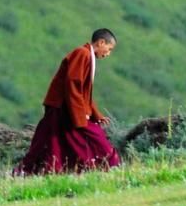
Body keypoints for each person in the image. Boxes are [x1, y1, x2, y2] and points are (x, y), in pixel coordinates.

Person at [15, 29, 121, 175]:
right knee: (93, 136)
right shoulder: (82, 53)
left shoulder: (87, 55)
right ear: (101, 42)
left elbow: (85, 92)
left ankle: (34, 171)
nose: (108, 54)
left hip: (65, 107)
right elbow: (73, 84)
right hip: (63, 107)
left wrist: (96, 114)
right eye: (109, 49)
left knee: (49, 141)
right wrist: (80, 117)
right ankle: (107, 166)